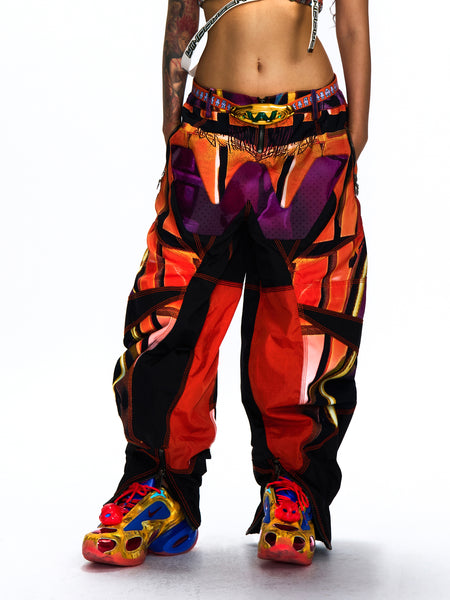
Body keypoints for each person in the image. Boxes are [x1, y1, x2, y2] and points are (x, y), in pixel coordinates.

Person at [82, 0, 370, 567]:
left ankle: (293, 493)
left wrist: (356, 134)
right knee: (169, 313)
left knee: (305, 327)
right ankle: (158, 489)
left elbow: (353, 23)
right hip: (208, 130)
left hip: (312, 137)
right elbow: (181, 17)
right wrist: (172, 123)